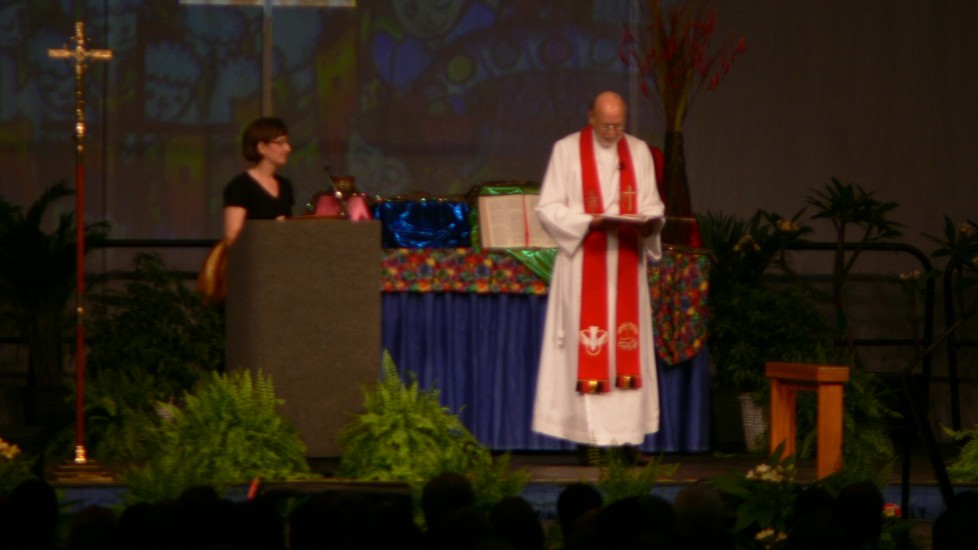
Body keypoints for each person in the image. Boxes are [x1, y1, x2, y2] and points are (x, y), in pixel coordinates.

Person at [531, 90, 665, 448]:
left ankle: (628, 438)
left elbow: (653, 204)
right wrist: (588, 222)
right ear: (591, 118)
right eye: (606, 125)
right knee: (587, 346)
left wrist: (650, 224)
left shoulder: (638, 151)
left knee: (625, 346)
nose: (612, 133)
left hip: (626, 262)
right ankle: (587, 440)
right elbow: (548, 208)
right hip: (583, 264)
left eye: (618, 126)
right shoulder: (566, 150)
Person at [222, 116, 295, 244]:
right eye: (280, 143)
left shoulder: (285, 185)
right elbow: (232, 235)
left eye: (287, 142)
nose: (287, 148)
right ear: (262, 147)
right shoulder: (240, 186)